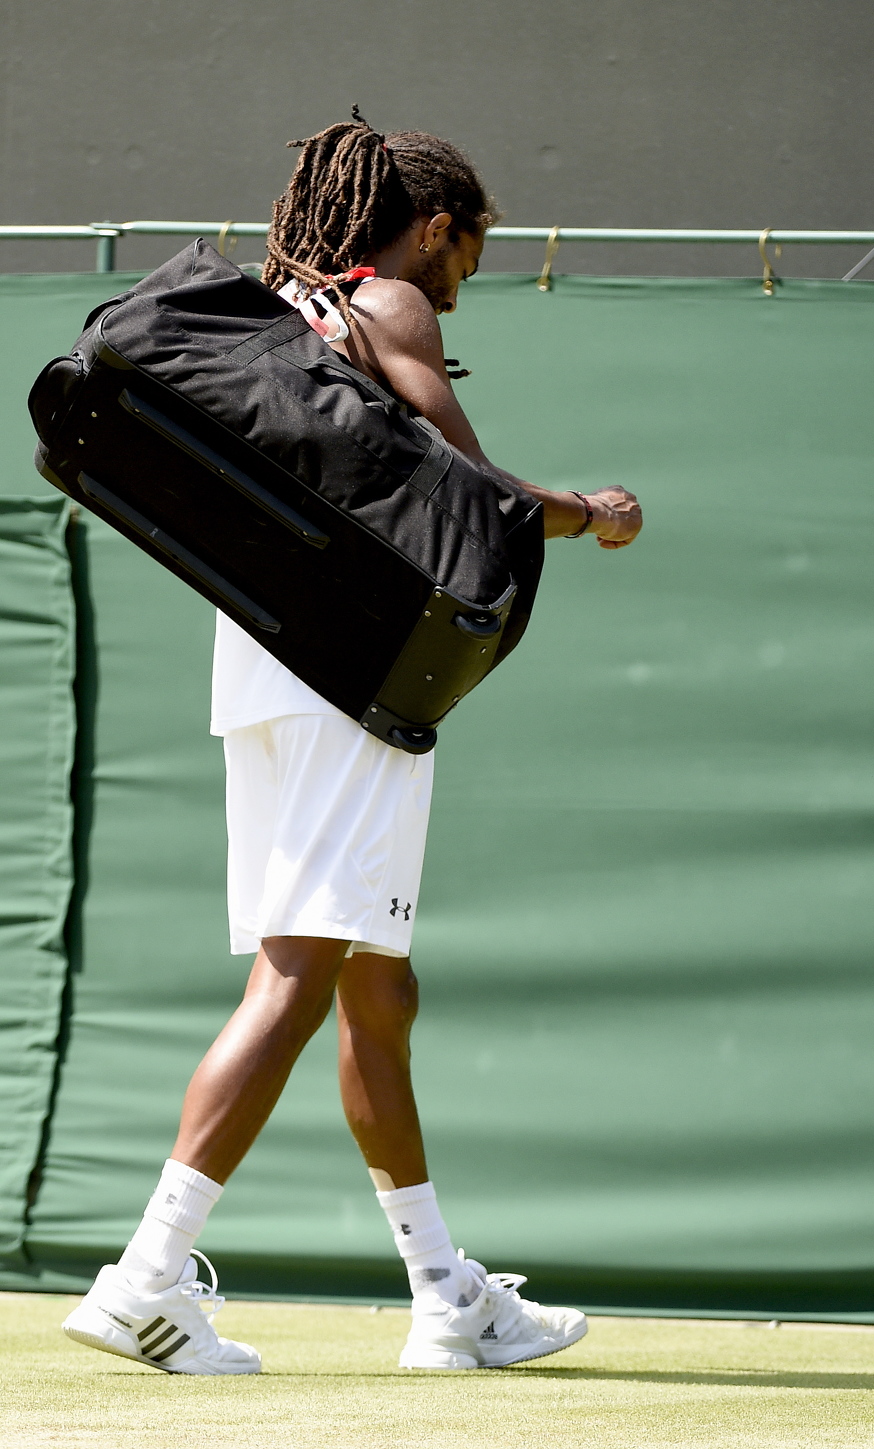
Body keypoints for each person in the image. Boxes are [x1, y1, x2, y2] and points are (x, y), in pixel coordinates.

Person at [62, 113, 643, 1375]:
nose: (464, 279)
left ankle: (445, 1298)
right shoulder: (390, 302)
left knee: (377, 984)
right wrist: (593, 511)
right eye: (471, 251)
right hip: (352, 680)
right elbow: (477, 492)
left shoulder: (281, 305)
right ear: (435, 227)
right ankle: (144, 1277)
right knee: (298, 971)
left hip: (264, 663)